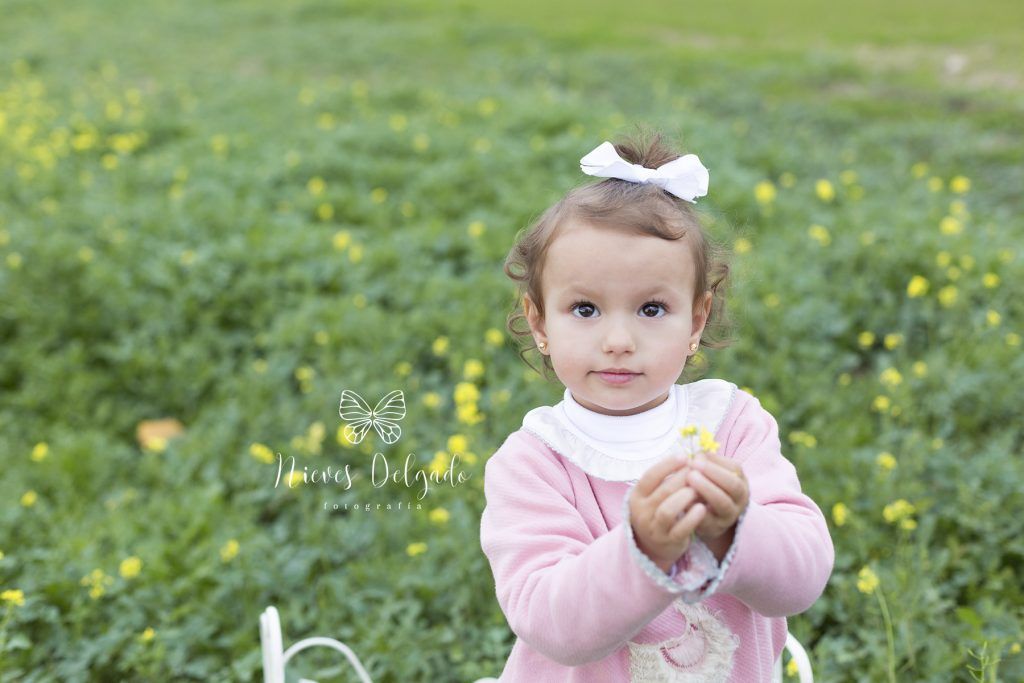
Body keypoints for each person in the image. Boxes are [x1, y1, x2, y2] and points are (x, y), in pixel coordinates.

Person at [479, 129, 834, 682]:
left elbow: (803, 579)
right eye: (585, 309)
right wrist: (641, 547)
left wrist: (733, 529)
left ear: (695, 320)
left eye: (650, 309)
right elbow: (551, 625)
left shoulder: (732, 427)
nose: (618, 339)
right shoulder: (534, 463)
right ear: (539, 322)